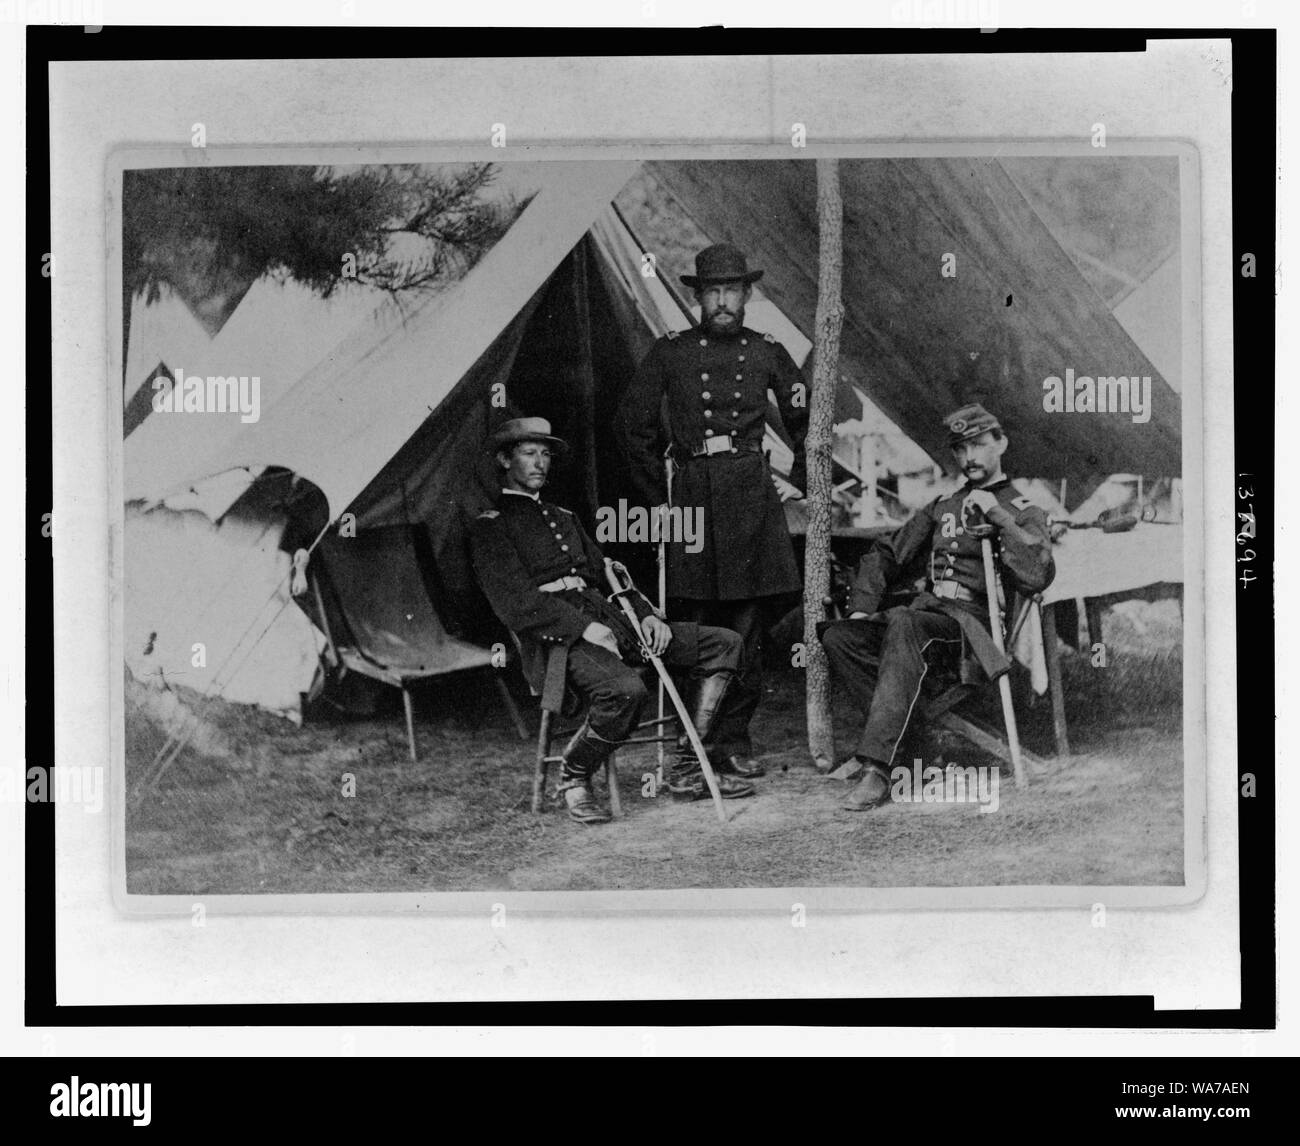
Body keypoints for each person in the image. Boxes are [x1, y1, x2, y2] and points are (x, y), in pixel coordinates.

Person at [469, 417, 756, 825]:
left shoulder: (563, 515)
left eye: (545, 454)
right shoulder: (491, 527)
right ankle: (574, 776)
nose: (540, 463)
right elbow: (516, 604)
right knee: (625, 691)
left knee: (725, 643)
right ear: (503, 460)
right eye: (529, 453)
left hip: (612, 619)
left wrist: (645, 615)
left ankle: (689, 768)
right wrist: (583, 628)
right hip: (557, 642)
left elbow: (609, 573)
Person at [615, 243, 808, 780]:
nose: (722, 302)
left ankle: (734, 737)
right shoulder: (670, 351)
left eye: (732, 292)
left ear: (747, 295)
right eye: (712, 293)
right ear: (698, 297)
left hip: (750, 491)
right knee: (696, 621)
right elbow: (631, 427)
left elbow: (804, 413)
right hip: (694, 494)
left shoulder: (768, 351)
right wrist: (662, 501)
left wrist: (800, 481)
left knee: (749, 624)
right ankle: (690, 740)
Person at [817, 404, 1055, 811]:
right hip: (927, 620)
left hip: (973, 633)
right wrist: (860, 607)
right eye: (960, 450)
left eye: (979, 445)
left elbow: (1037, 573)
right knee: (839, 635)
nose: (970, 458)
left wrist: (997, 516)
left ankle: (878, 768)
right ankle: (911, 749)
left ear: (1002, 442)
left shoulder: (1022, 507)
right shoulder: (944, 503)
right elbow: (885, 553)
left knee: (905, 624)